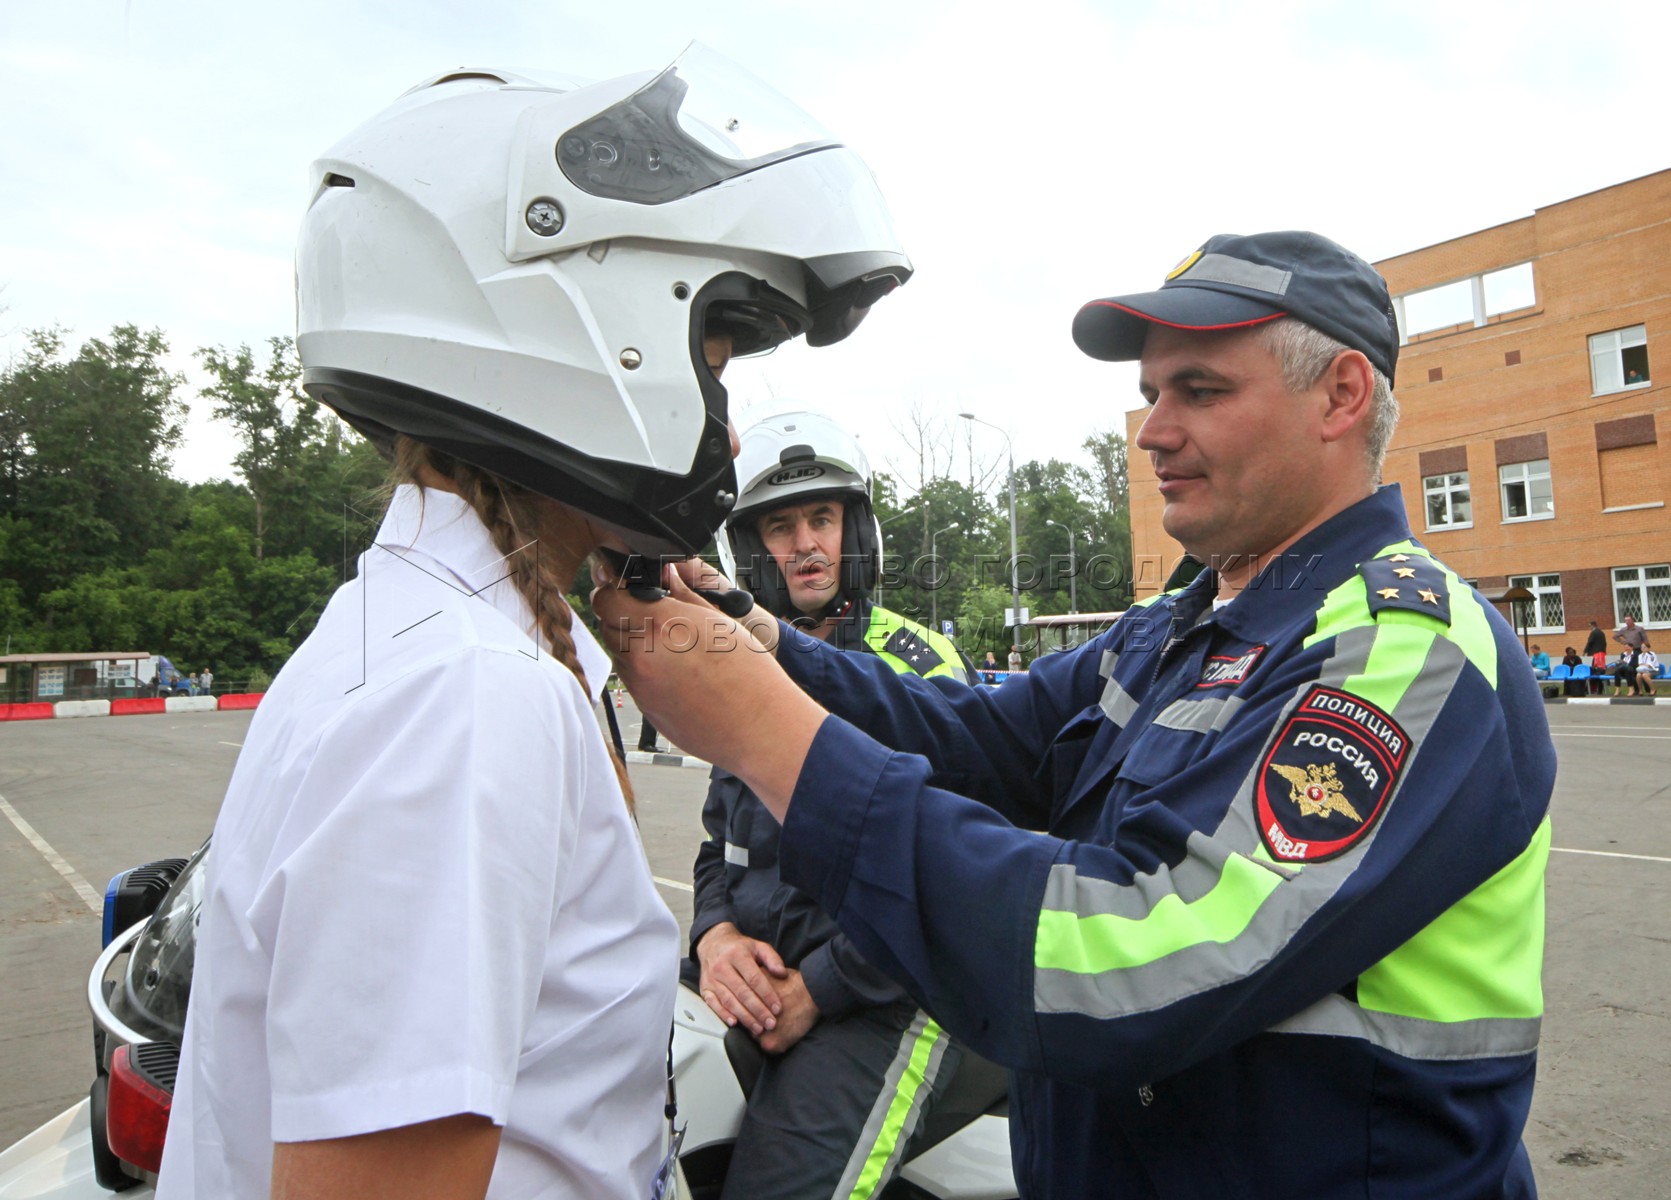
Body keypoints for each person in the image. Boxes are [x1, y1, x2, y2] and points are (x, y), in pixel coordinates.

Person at [599, 230, 1557, 1197]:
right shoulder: (1173, 627)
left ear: (1341, 396)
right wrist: (761, 639)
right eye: (1150, 396)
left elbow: (1133, 963)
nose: (1150, 431)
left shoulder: (1401, 649)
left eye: (1200, 390)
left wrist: (769, 736)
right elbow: (973, 740)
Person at [157, 49, 911, 1200]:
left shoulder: (428, 633)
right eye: (712, 356)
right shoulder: (459, 696)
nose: (722, 419)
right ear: (575, 331)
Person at [686, 409, 974, 1199]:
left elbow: (955, 875)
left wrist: (820, 988)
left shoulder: (916, 667)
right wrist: (714, 938)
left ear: (857, 532)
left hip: (888, 995)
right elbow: (720, 844)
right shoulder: (737, 663)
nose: (806, 543)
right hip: (756, 982)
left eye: (822, 517)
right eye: (779, 526)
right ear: (749, 549)